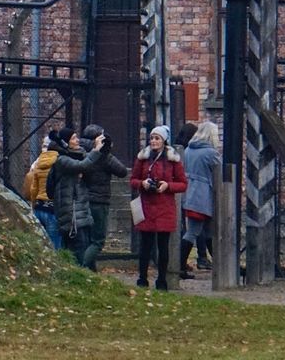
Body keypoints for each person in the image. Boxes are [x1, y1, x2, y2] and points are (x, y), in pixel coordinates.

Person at [131, 125, 186, 290]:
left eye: (157, 138)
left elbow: (183, 183)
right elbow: (133, 180)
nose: (154, 141)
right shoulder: (142, 158)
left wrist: (167, 186)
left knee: (163, 247)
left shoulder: (172, 160)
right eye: (152, 138)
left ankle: (162, 279)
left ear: (164, 140)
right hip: (147, 206)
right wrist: (143, 183)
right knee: (145, 246)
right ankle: (142, 278)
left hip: (165, 207)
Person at [49, 126, 108, 266]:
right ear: (65, 142)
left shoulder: (75, 155)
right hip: (73, 213)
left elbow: (86, 162)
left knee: (84, 246)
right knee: (79, 251)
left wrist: (99, 146)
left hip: (81, 210)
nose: (78, 140)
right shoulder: (62, 160)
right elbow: (83, 165)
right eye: (74, 138)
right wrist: (95, 149)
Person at [79, 124, 128, 272]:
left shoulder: (80, 151)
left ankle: (91, 272)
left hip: (83, 199)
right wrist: (107, 151)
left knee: (87, 240)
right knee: (98, 241)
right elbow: (122, 171)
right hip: (99, 201)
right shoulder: (102, 155)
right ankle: (81, 268)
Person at [180, 121, 219, 280]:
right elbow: (221, 171)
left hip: (190, 193)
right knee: (193, 232)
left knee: (207, 231)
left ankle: (217, 263)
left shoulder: (189, 149)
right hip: (203, 197)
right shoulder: (210, 153)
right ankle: (179, 265)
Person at [26, 132, 61, 249]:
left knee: (39, 244)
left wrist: (33, 204)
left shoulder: (38, 163)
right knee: (54, 244)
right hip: (52, 208)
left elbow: (33, 188)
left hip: (39, 207)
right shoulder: (60, 162)